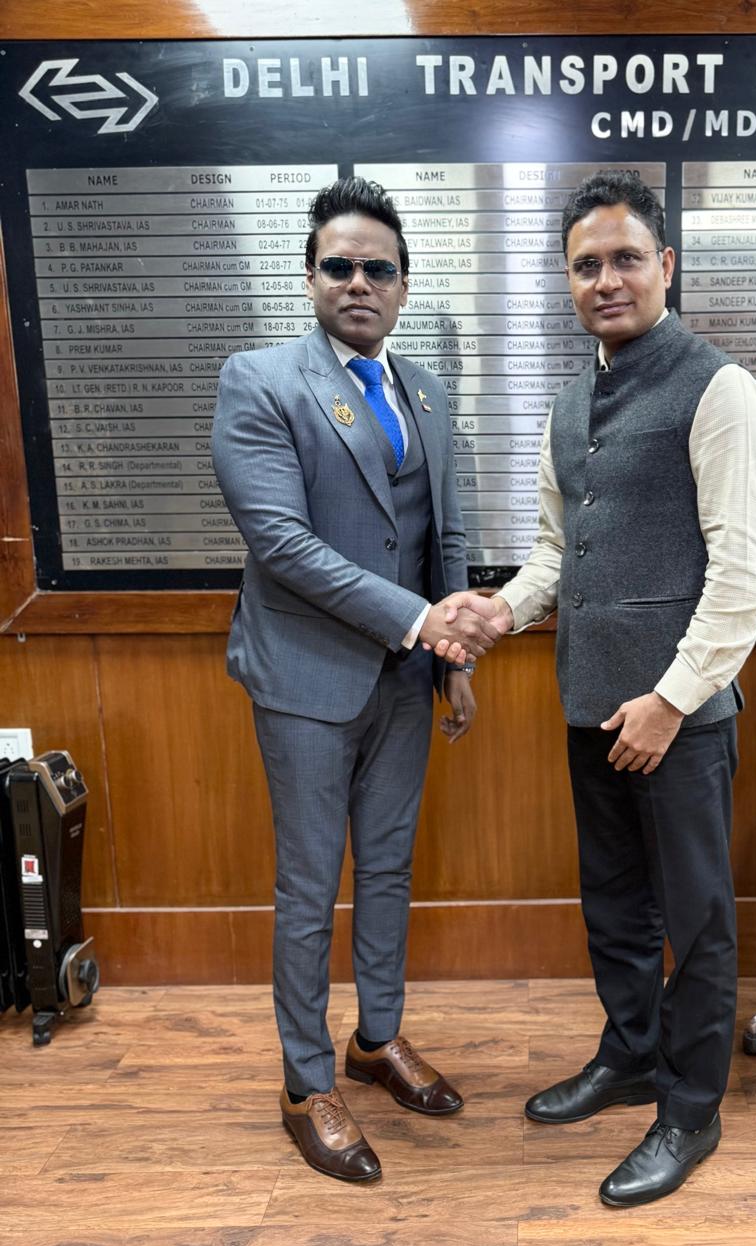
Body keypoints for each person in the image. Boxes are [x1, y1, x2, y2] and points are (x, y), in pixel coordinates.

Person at [485, 170, 756, 1207]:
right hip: (588, 703)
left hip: (678, 719)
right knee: (613, 907)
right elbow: (554, 552)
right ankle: (631, 1054)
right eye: (585, 265)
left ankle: (691, 1107)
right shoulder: (569, 404)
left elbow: (743, 574)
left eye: (624, 258)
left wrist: (671, 698)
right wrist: (497, 612)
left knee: (694, 921)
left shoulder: (720, 389)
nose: (605, 279)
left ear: (665, 265)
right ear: (567, 281)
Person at [212, 176, 505, 1183]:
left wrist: (451, 658)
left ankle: (376, 1040)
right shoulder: (260, 381)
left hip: (405, 680)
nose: (358, 282)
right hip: (304, 678)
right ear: (309, 277)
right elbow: (282, 544)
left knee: (387, 867)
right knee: (309, 883)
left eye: (378, 268)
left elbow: (444, 534)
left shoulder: (424, 390)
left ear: (403, 285)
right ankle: (306, 1084)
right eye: (338, 265)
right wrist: (422, 621)